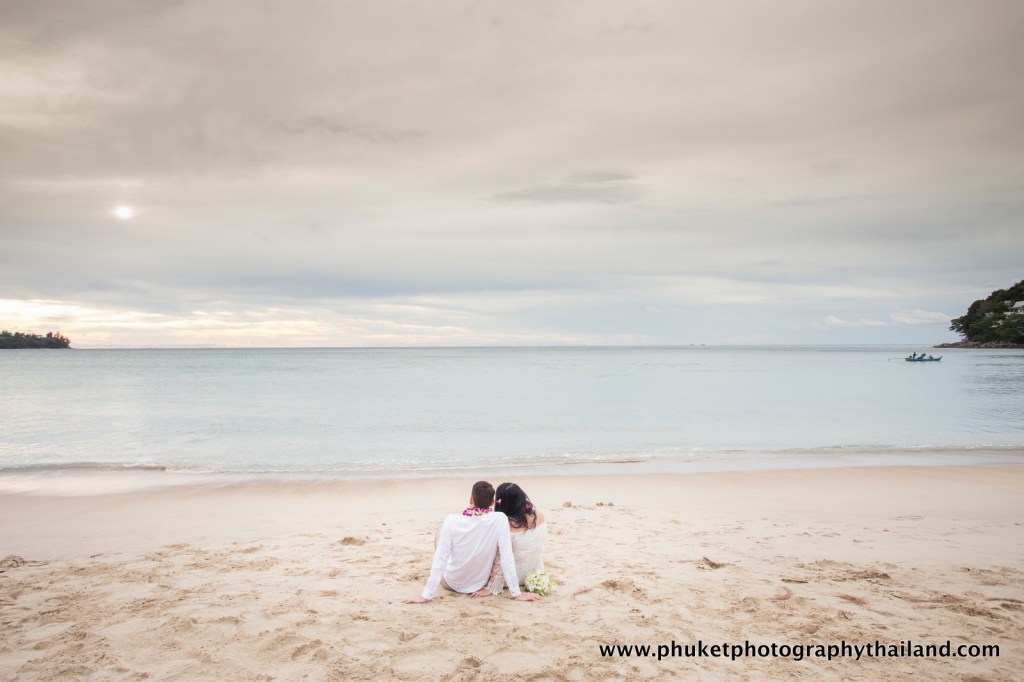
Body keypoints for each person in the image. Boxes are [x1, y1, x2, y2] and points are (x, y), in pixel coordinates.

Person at [402, 481, 540, 603]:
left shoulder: (451, 520)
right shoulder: (500, 519)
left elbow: (440, 559)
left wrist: (425, 595)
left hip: (452, 584)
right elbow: (506, 556)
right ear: (492, 503)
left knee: (442, 537)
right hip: (479, 584)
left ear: (470, 499)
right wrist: (517, 593)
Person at [475, 482, 547, 597]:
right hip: (534, 572)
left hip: (514, 577)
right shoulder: (539, 515)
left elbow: (501, 558)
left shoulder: (507, 526)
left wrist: (492, 587)